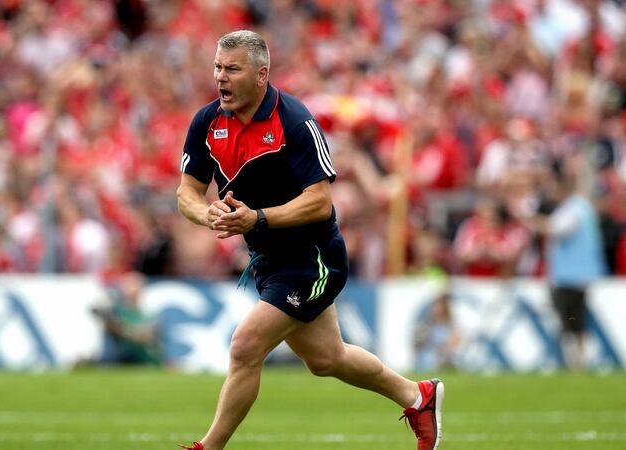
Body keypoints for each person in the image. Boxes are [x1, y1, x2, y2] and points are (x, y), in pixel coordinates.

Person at [176, 30, 444, 450]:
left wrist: (257, 218)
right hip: (268, 260)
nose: (220, 77)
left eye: (232, 69)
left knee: (245, 346)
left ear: (261, 75)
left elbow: (319, 202)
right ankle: (418, 396)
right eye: (217, 67)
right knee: (326, 358)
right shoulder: (207, 122)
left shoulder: (294, 121)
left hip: (314, 258)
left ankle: (208, 448)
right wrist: (206, 214)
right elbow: (186, 193)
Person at [522, 154, 607, 370]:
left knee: (572, 317)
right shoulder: (578, 207)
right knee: (573, 317)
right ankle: (576, 358)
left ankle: (579, 359)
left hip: (573, 275)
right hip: (571, 274)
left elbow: (556, 228)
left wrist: (529, 220)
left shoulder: (575, 208)